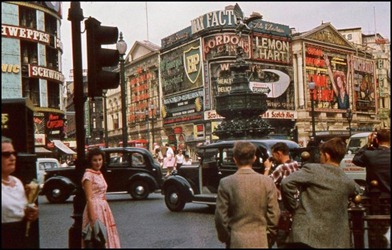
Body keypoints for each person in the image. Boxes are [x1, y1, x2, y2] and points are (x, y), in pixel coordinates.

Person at [281, 137, 361, 248]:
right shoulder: (347, 180)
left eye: (321, 154)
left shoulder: (313, 170)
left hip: (306, 235)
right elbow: (357, 190)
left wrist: (293, 206)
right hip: (334, 239)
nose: (320, 157)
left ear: (327, 155)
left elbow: (286, 183)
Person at [215, 141, 280, 248]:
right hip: (261, 239)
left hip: (236, 239)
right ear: (254, 158)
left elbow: (220, 217)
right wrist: (270, 235)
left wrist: (226, 237)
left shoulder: (226, 183)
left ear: (235, 159)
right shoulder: (266, 182)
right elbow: (274, 213)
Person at [2, 136, 39, 248]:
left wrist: (31, 213)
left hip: (21, 240)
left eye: (13, 153)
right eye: (6, 154)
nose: (13, 158)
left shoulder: (17, 182)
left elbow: (22, 211)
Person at [82, 148, 121, 248]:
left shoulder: (99, 173)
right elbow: (89, 198)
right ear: (90, 161)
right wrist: (92, 218)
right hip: (95, 208)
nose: (98, 162)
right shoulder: (88, 175)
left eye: (100, 159)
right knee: (98, 236)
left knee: (105, 235)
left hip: (103, 208)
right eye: (95, 160)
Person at [263, 142, 300, 248]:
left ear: (279, 153)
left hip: (282, 204)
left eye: (273, 155)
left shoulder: (281, 168)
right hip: (294, 203)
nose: (273, 158)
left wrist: (267, 168)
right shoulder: (295, 164)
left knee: (280, 235)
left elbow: (264, 184)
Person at [352, 129, 390, 196]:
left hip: (374, 198)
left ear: (377, 140)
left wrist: (368, 144)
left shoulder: (369, 154)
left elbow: (355, 160)